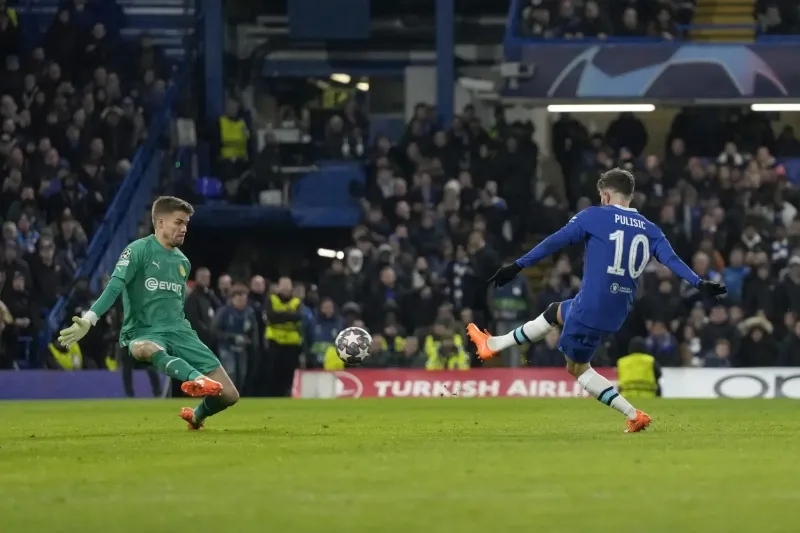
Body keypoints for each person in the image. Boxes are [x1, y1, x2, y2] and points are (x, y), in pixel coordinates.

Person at [466, 168, 727, 433]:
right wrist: (698, 282)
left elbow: (553, 243)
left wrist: (518, 265)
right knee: (556, 311)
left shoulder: (594, 216)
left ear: (605, 195)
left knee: (577, 369)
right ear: (631, 196)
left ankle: (633, 414)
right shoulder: (650, 229)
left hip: (591, 306)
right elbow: (671, 260)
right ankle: (494, 344)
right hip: (618, 311)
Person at [57, 196, 240, 429]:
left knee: (230, 395)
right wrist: (89, 319)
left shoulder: (183, 262)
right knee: (148, 348)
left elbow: (174, 304)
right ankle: (197, 379)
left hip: (180, 331)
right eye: (178, 222)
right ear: (160, 223)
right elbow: (114, 287)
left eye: (186, 224)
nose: (184, 229)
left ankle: (195, 417)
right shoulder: (137, 251)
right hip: (142, 331)